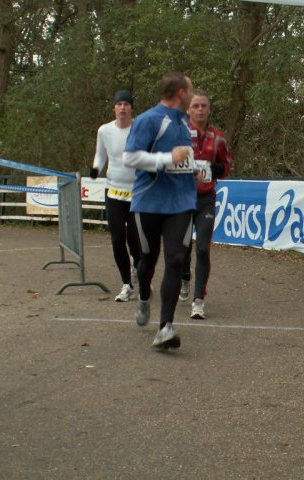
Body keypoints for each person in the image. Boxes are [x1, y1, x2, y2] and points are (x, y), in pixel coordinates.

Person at [122, 72, 195, 350]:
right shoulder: (149, 120)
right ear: (180, 93)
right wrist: (167, 158)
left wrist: (195, 170)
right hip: (149, 202)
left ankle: (165, 327)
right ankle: (143, 295)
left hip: (181, 202)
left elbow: (182, 161)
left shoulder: (184, 123)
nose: (192, 93)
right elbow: (130, 157)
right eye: (189, 89)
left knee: (176, 259)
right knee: (147, 261)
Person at [179, 89, 233, 319]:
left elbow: (227, 165)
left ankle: (198, 300)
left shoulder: (218, 138)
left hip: (206, 199)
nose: (200, 109)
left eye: (204, 106)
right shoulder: (178, 134)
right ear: (188, 110)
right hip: (180, 199)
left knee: (202, 248)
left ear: (209, 110)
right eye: (196, 106)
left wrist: (213, 169)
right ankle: (184, 278)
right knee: (182, 250)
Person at [90, 90, 141, 302]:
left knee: (135, 239)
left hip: (137, 192)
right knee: (117, 237)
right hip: (113, 191)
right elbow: (101, 155)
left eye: (126, 104)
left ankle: (138, 266)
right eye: (118, 104)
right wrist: (95, 169)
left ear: (131, 108)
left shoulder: (140, 128)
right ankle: (126, 284)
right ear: (114, 108)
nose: (122, 108)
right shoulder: (104, 130)